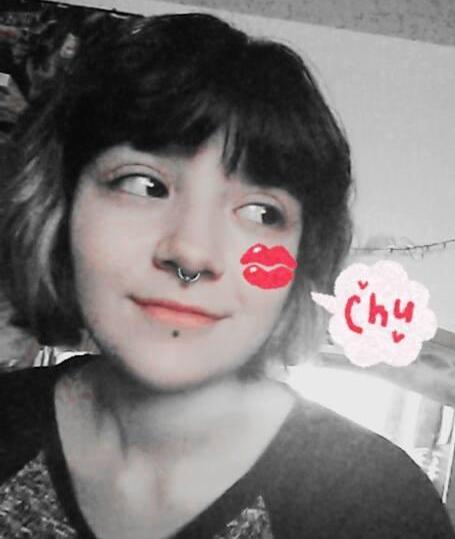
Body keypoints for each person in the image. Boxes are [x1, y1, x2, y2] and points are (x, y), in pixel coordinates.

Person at [0, 11, 453, 539]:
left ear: (301, 264)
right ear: (60, 207)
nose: (191, 254)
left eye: (261, 213)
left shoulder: (378, 505)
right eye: (144, 185)